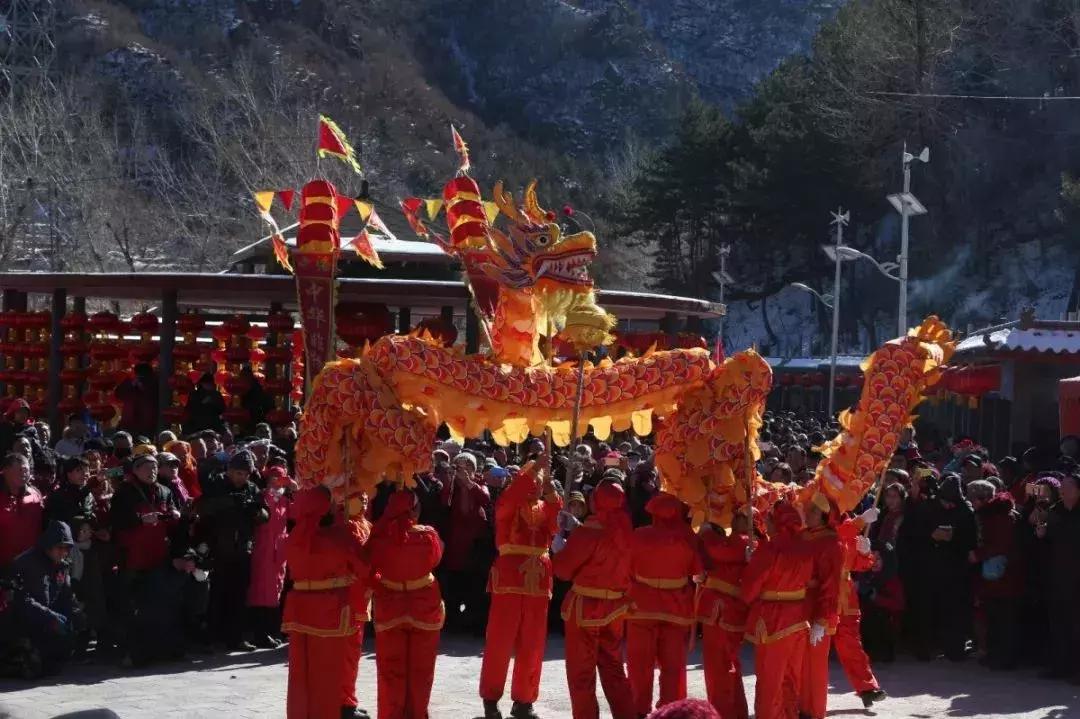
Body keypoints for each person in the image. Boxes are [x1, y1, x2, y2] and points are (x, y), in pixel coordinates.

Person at [479, 458, 561, 719]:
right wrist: (535, 467)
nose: (536, 484)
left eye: (539, 481)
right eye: (532, 479)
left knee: (533, 644)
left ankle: (524, 701)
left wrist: (553, 493)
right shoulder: (508, 502)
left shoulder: (543, 506)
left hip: (538, 581)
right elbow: (513, 495)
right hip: (510, 580)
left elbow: (556, 523)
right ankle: (491, 699)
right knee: (499, 641)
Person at [552, 480, 637, 719]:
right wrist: (577, 528)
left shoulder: (589, 532)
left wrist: (560, 549)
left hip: (586, 608)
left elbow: (563, 570)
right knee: (614, 669)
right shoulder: (625, 529)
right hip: (615, 608)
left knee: (581, 673)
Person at [281, 487, 369, 719]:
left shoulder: (294, 537)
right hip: (330, 610)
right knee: (327, 673)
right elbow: (365, 568)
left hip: (299, 611)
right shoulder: (339, 536)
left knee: (300, 673)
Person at [367, 490, 445, 719]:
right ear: (415, 510)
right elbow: (435, 560)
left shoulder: (380, 536)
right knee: (422, 670)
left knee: (390, 669)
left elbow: (369, 565)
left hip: (391, 607)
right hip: (424, 607)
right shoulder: (427, 535)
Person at [625, 493, 701, 716]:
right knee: (673, 667)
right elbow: (697, 572)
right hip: (676, 608)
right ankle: (671, 712)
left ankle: (638, 710)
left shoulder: (639, 535)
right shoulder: (687, 537)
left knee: (639, 666)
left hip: (642, 606)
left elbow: (626, 566)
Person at [741, 500, 814, 719]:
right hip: (799, 619)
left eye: (769, 519)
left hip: (773, 620)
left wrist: (750, 563)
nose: (765, 522)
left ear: (778, 523)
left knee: (770, 680)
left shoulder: (770, 548)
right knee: (791, 678)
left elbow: (750, 590)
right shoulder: (805, 547)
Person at [198, 449, 267, 651]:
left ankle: (236, 638)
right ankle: (210, 638)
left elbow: (265, 514)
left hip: (243, 549)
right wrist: (230, 502)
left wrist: (257, 511)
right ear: (229, 470)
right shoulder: (216, 484)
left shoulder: (252, 488)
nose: (242, 477)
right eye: (239, 473)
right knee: (216, 595)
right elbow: (203, 508)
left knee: (239, 596)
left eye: (246, 474)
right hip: (219, 548)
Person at [0, 520, 79, 677]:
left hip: (44, 621)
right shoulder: (25, 563)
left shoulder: (62, 566)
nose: (63, 553)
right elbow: (21, 600)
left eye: (66, 549)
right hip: (21, 622)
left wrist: (73, 615)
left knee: (59, 655)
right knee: (33, 666)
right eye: (60, 548)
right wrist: (51, 617)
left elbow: (66, 596)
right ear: (49, 546)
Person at [696, 508, 753, 719]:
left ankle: (722, 713)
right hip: (721, 612)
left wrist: (707, 532)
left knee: (720, 669)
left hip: (725, 613)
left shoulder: (746, 542)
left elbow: (718, 551)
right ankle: (735, 713)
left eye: (742, 517)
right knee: (725, 667)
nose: (735, 519)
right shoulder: (736, 541)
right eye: (735, 515)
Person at [797, 494, 845, 719]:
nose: (808, 513)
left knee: (815, 666)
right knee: (798, 663)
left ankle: (814, 712)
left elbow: (830, 585)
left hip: (817, 609)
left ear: (825, 516)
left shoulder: (831, 543)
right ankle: (799, 707)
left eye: (814, 511)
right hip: (798, 607)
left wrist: (822, 619)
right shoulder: (802, 536)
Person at [966, 480, 1023, 671]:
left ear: (981, 499)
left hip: (1004, 575)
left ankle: (1004, 657)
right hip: (999, 575)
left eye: (973, 499)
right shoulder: (995, 513)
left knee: (1004, 617)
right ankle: (996, 654)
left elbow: (1001, 545)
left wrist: (979, 554)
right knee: (995, 615)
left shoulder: (998, 516)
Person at [832, 513, 886, 708]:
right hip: (822, 594)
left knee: (853, 646)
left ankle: (867, 688)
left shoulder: (851, 528)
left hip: (846, 597)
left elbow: (860, 565)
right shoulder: (822, 522)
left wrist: (865, 553)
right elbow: (834, 536)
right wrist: (860, 521)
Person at [920, 474, 977, 662]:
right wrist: (931, 535)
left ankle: (955, 648)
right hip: (933, 563)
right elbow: (919, 531)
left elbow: (971, 539)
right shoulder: (931, 507)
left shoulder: (965, 511)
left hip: (956, 567)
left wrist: (955, 537)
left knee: (955, 610)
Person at [439, 452, 493, 634]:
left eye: (468, 466)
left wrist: (469, 482)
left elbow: (485, 499)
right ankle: (452, 620)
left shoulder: (480, 483)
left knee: (474, 584)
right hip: (455, 541)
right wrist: (451, 481)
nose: (463, 470)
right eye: (460, 466)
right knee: (453, 584)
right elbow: (443, 502)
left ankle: (472, 622)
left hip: (474, 543)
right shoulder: (452, 485)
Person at [1036, 472, 1080, 682]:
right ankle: (1059, 666)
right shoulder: (1055, 511)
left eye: (1068, 487)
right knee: (1059, 623)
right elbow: (1050, 542)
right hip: (1059, 574)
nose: (1062, 490)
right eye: (1062, 486)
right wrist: (1042, 534)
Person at [247, 465, 293, 649]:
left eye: (281, 478)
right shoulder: (261, 497)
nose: (278, 482)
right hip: (263, 549)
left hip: (279, 552)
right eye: (275, 477)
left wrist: (296, 489)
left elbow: (297, 513)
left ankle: (270, 630)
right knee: (260, 591)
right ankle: (259, 632)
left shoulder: (284, 500)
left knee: (276, 590)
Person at [341, 490, 374, 719]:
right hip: (349, 597)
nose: (363, 503)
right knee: (346, 653)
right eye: (357, 499)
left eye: (365, 500)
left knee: (354, 653)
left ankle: (349, 698)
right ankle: (344, 703)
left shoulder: (367, 524)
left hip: (363, 596)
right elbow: (362, 562)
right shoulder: (346, 527)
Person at [0, 453, 44, 567]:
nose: (24, 474)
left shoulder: (35, 495)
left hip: (31, 560)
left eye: (26, 470)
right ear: (5, 471)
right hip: (4, 561)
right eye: (20, 470)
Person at [45, 457, 94, 532]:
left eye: (87, 471)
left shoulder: (88, 493)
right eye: (78, 470)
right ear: (68, 474)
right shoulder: (58, 496)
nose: (84, 474)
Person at [114, 363, 159, 439]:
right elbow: (118, 394)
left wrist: (141, 385)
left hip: (145, 423)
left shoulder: (154, 383)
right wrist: (132, 383)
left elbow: (153, 395)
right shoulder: (130, 382)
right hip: (130, 422)